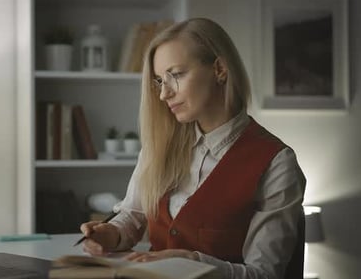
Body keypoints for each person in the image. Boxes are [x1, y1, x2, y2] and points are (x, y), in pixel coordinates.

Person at [79, 18, 306, 279]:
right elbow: (132, 215)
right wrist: (111, 233)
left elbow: (264, 275)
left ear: (220, 69)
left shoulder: (276, 163)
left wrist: (191, 261)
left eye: (175, 75)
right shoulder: (158, 147)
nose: (164, 94)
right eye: (159, 81)